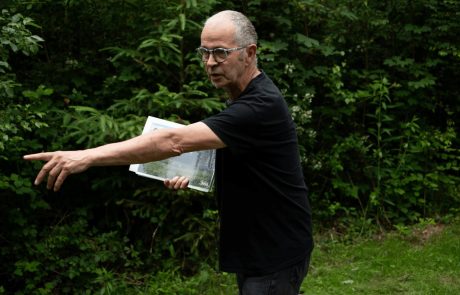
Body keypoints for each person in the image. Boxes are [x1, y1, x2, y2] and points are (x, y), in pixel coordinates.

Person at [24, 10, 313, 295]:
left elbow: (173, 141)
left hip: (276, 251)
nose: (210, 63)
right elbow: (248, 158)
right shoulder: (246, 99)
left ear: (249, 53)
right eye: (205, 52)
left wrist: (85, 156)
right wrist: (193, 171)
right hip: (260, 246)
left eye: (221, 53)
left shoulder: (260, 105)